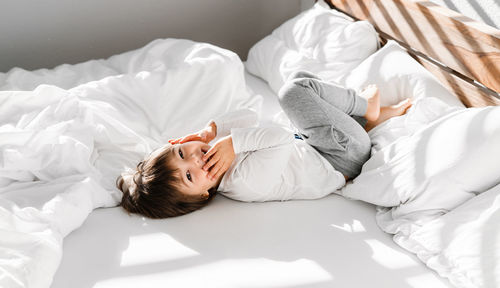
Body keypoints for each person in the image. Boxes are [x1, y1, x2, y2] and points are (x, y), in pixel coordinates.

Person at [117, 71, 412, 218]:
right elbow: (280, 138)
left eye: (182, 152)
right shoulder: (245, 184)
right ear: (204, 195)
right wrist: (234, 142)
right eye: (190, 176)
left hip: (317, 145)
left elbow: (249, 115)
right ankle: (365, 107)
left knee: (298, 78)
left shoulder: (220, 151)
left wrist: (211, 130)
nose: (194, 160)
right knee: (294, 91)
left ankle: (367, 120)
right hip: (341, 156)